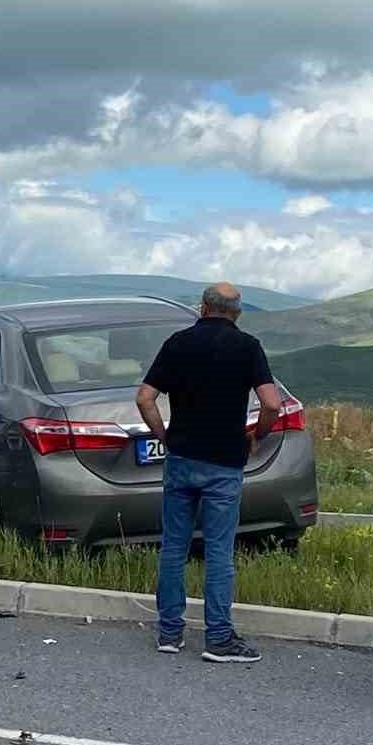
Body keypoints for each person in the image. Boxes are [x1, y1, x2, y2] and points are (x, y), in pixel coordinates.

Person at [136, 282, 282, 663]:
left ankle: (169, 633)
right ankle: (218, 638)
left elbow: (145, 398)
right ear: (237, 311)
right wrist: (257, 436)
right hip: (225, 462)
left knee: (173, 548)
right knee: (219, 552)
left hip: (182, 457)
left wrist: (164, 435)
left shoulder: (178, 343)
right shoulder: (248, 347)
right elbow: (271, 403)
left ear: (203, 307)